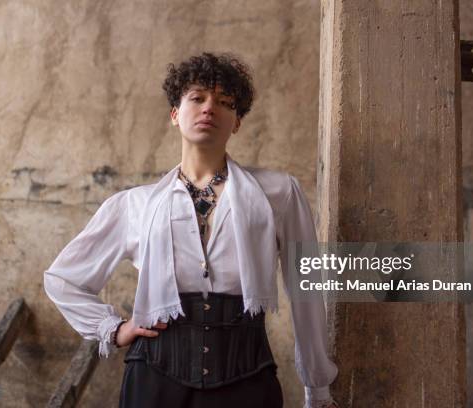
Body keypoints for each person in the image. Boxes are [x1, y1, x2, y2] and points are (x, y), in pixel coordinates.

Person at [44, 52, 339, 408]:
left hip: (246, 379)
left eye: (225, 102)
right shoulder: (133, 205)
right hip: (154, 380)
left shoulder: (279, 193)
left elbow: (306, 291)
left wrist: (317, 390)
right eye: (197, 98)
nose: (209, 108)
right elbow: (63, 278)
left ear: (237, 122)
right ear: (175, 114)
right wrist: (115, 329)